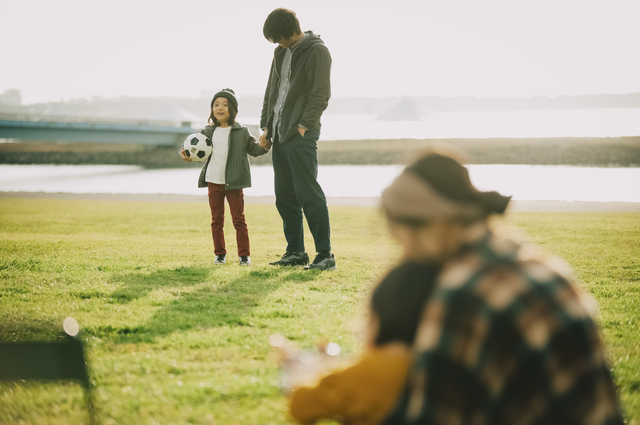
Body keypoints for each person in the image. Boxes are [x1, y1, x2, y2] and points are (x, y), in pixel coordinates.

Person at [281, 150, 624, 424]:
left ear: (432, 225)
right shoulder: (537, 263)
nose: (404, 251)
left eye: (398, 234)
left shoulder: (466, 293)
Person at [258, 8, 336, 271]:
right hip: (279, 133)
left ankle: (325, 255)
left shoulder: (317, 50)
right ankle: (296, 253)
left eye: (278, 38)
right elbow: (272, 92)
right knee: (285, 196)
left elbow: (320, 95)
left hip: (301, 134)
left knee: (308, 194)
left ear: (290, 30)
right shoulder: (280, 52)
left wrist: (303, 126)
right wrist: (266, 127)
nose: (277, 43)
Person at [179, 88, 269, 266]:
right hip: (214, 181)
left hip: (234, 183)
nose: (220, 108)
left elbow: (255, 150)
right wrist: (186, 155)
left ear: (233, 109)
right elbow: (196, 152)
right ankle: (220, 254)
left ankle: (244, 256)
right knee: (216, 220)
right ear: (212, 109)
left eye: (225, 105)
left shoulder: (242, 132)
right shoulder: (207, 132)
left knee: (239, 220)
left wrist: (265, 144)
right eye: (216, 105)